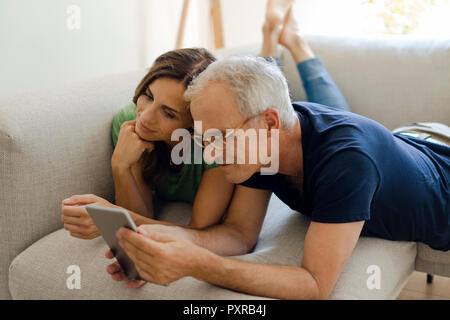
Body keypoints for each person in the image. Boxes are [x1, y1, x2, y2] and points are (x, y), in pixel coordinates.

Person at [107, 25, 450, 301]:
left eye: (220, 138)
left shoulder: (347, 163)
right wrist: (157, 242)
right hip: (413, 142)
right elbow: (239, 235)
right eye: (204, 140)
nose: (210, 154)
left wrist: (197, 264)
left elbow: (314, 284)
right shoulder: (262, 148)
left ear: (269, 123)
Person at [61, 0, 348, 240]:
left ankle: (296, 44)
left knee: (337, 117)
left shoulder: (214, 143)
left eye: (169, 113)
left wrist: (116, 219)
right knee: (265, 83)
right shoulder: (129, 122)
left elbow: (200, 230)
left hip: (292, 121)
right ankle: (271, 39)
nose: (145, 117)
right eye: (147, 95)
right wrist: (121, 166)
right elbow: (143, 217)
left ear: (196, 122)